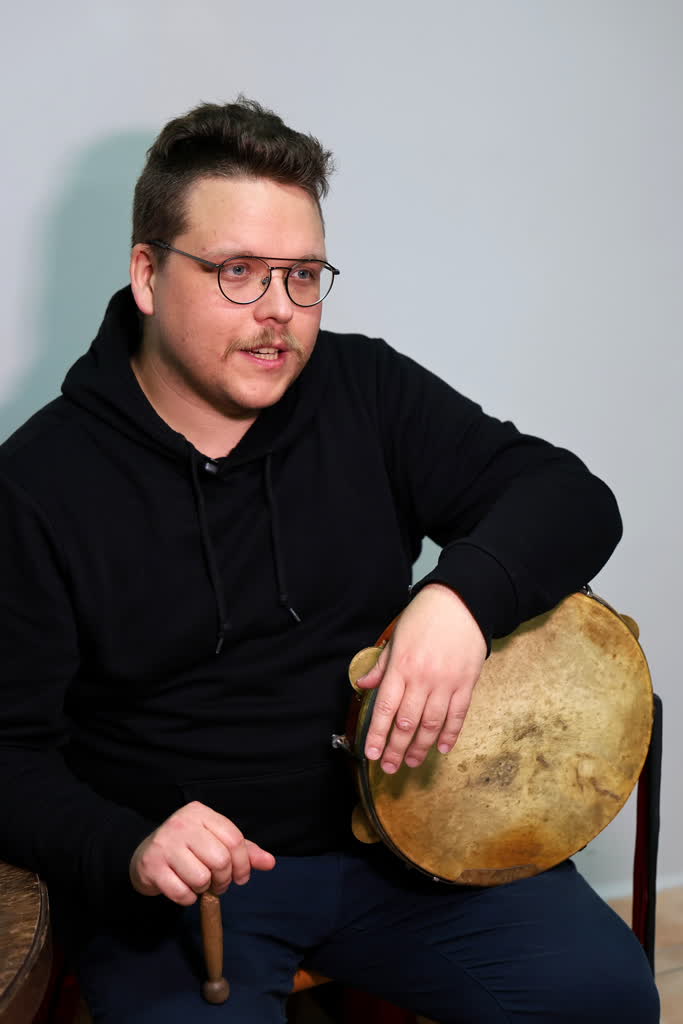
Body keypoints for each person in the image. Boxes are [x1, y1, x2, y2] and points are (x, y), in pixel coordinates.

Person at [0, 99, 659, 1023]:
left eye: (303, 275)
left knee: (605, 998)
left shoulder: (365, 389)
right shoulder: (37, 483)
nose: (279, 311)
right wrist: (129, 847)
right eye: (237, 271)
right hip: (190, 893)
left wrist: (459, 601)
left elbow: (569, 496)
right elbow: (9, 753)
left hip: (407, 846)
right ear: (148, 274)